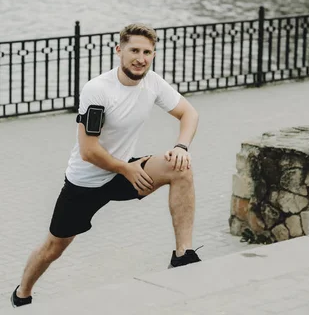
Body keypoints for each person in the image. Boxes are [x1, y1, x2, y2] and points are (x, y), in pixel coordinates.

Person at [11, 23, 200, 308]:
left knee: (181, 167)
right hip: (86, 183)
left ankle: (182, 254)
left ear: (153, 54)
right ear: (119, 51)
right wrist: (127, 168)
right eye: (134, 50)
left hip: (125, 173)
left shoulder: (152, 82)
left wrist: (181, 146)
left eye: (147, 52)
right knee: (54, 248)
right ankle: (22, 293)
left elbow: (189, 112)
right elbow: (89, 151)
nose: (141, 58)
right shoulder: (97, 90)